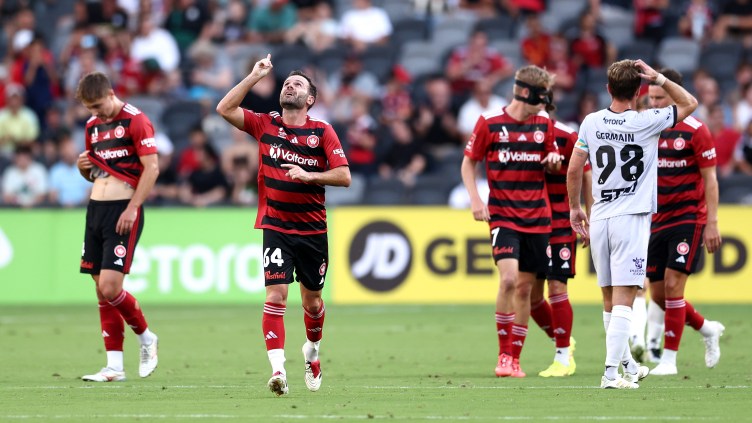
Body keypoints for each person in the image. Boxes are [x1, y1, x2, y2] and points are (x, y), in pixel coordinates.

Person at [216, 54, 351, 396]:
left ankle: (312, 351)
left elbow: (344, 176)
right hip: (276, 226)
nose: (290, 86)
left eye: (298, 84)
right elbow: (224, 109)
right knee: (276, 295)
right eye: (287, 83)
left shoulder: (322, 131)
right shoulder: (265, 124)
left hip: (312, 230)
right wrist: (253, 76)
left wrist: (310, 176)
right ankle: (278, 371)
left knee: (313, 303)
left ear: (310, 99)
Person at [567, 59, 698, 389]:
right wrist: (660, 78)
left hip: (600, 216)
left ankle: (628, 365)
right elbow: (690, 103)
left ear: (608, 88)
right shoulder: (648, 120)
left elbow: (574, 168)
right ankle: (610, 375)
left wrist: (574, 208)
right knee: (625, 297)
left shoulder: (591, 122)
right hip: (632, 218)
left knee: (609, 299)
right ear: (639, 91)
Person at [461, 65, 562, 378]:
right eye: (542, 98)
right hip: (504, 216)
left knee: (524, 290)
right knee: (508, 280)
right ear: (526, 93)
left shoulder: (543, 124)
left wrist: (554, 162)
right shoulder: (490, 122)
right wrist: (476, 200)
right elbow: (468, 163)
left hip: (538, 218)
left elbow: (553, 164)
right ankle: (503, 356)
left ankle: (515, 359)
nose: (545, 104)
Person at [75, 71, 159, 382]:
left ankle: (147, 337)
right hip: (95, 210)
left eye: (98, 106)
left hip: (123, 210)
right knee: (101, 290)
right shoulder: (92, 127)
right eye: (90, 108)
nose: (95, 113)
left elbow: (152, 168)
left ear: (111, 94)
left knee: (111, 287)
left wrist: (133, 207)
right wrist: (82, 169)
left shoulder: (136, 120)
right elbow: (98, 173)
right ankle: (114, 367)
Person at [644, 68, 725, 376]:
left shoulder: (696, 130)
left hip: (688, 217)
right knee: (658, 295)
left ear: (675, 95)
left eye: (660, 98)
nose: (654, 104)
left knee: (673, 285)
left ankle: (669, 360)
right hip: (655, 219)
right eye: (651, 98)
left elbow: (711, 179)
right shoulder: (647, 126)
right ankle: (706, 329)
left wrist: (712, 222)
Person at [531, 101, 594, 378]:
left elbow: (587, 174)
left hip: (559, 222)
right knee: (530, 297)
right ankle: (565, 339)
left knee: (557, 287)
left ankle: (562, 356)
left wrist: (590, 215)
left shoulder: (568, 136)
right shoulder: (518, 135)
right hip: (529, 223)